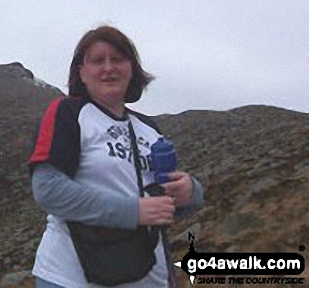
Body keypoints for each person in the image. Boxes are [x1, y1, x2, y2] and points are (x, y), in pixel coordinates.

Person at [28, 26, 204, 288]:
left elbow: (163, 205)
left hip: (149, 276)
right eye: (98, 60)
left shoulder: (150, 129)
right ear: (82, 72)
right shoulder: (68, 113)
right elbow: (49, 190)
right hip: (73, 276)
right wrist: (132, 211)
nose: (108, 67)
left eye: (118, 59)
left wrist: (192, 192)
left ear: (132, 69)